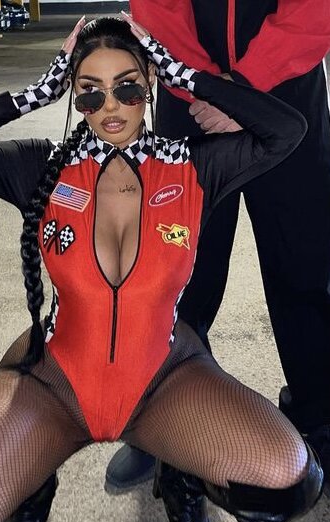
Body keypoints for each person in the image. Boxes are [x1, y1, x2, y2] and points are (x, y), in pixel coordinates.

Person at [0, 15, 323, 522]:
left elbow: (287, 131)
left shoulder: (194, 166)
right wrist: (32, 94)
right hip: (53, 386)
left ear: (151, 83)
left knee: (289, 477)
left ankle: (179, 476)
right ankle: (31, 489)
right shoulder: (42, 166)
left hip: (162, 381)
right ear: (72, 93)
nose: (111, 106)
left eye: (128, 88)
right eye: (90, 93)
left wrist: (183, 74)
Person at [107, 0, 330, 495]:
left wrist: (246, 86)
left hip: (289, 91)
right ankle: (166, 418)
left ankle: (319, 414)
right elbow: (157, 8)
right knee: (178, 274)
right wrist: (209, 89)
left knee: (305, 263)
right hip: (192, 100)